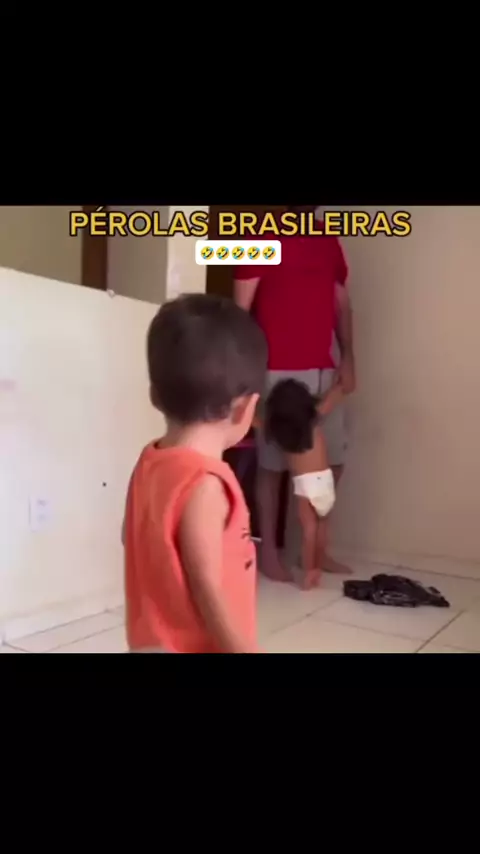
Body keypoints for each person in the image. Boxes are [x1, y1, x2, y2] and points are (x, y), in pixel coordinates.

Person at [123, 293, 268, 653]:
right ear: (244, 409)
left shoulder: (149, 460)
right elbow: (207, 588)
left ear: (154, 396)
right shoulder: (207, 483)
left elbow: (129, 536)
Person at [234, 204, 356, 582]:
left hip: (323, 367)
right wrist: (242, 374)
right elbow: (240, 312)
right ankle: (269, 552)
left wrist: (349, 357)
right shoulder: (258, 235)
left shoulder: (327, 239)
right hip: (275, 371)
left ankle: (314, 551)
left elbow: (340, 301)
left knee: (333, 461)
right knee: (272, 466)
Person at [263, 377, 343, 590]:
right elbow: (335, 396)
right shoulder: (315, 420)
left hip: (305, 486)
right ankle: (318, 565)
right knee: (322, 527)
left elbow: (255, 423)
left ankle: (309, 572)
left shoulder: (281, 434)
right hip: (326, 481)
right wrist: (337, 382)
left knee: (309, 531)